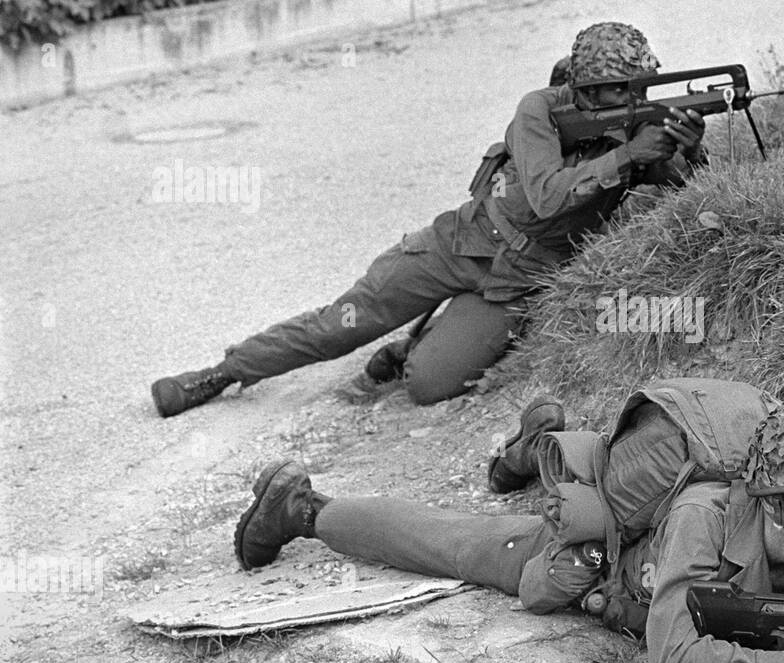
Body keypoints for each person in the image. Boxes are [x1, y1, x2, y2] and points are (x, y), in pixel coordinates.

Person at [231, 393, 784, 663]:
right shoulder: (704, 516)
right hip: (600, 567)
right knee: (459, 543)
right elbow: (668, 658)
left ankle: (538, 440)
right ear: (767, 498)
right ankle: (304, 507)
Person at [150, 22, 708, 418]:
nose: (621, 98)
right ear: (580, 88)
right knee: (345, 321)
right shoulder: (540, 109)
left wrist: (687, 149)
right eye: (608, 90)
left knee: (428, 384)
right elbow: (544, 196)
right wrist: (629, 155)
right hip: (462, 244)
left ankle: (409, 348)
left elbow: (687, 189)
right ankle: (226, 372)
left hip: (513, 283)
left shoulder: (635, 130)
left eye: (630, 87)